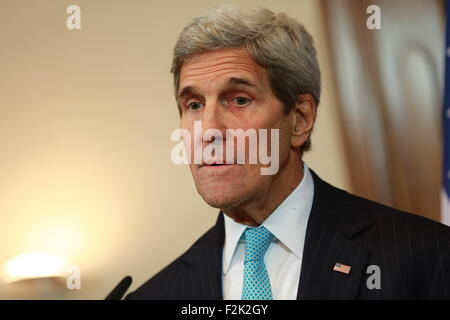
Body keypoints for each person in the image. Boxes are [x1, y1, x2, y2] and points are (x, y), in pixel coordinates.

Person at [125, 4, 450, 299]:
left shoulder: (425, 257)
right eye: (194, 104)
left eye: (239, 99)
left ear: (300, 120)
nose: (208, 131)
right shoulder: (155, 294)